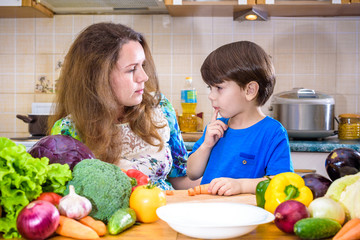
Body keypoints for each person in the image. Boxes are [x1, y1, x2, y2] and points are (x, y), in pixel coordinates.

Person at [49, 22, 199, 190]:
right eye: (131, 69)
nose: (144, 77)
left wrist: (228, 183)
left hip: (165, 211)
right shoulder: (67, 132)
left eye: (143, 65)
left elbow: (179, 179)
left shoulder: (160, 106)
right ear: (98, 77)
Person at [187, 41, 293, 196]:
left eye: (219, 88)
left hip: (247, 215)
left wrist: (241, 185)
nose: (211, 96)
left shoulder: (273, 132)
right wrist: (206, 146)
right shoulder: (217, 126)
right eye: (210, 88)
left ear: (250, 90)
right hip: (208, 209)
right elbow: (192, 173)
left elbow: (282, 182)